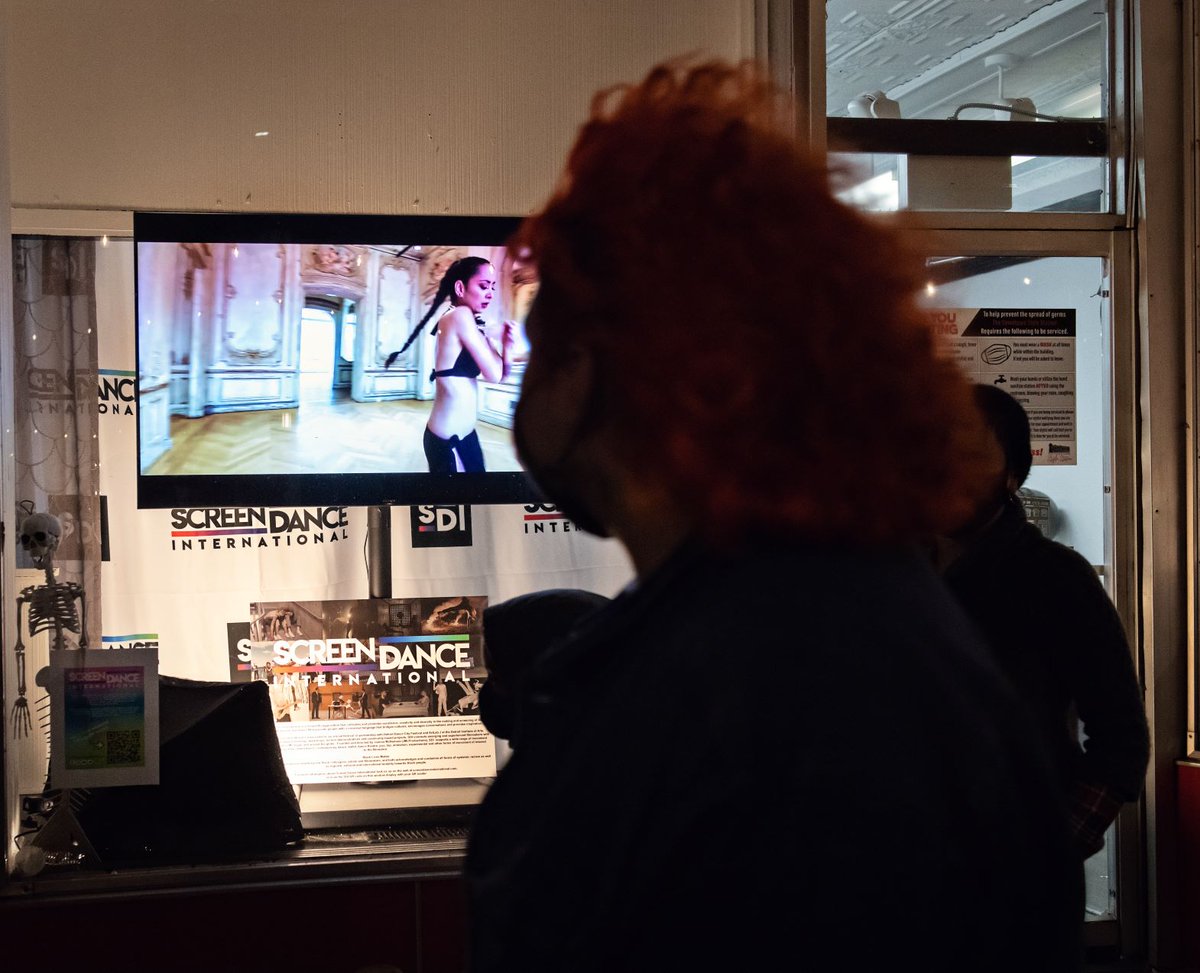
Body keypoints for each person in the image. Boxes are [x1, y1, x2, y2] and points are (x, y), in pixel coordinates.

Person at [463, 58, 1083, 973]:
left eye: (540, 340)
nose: (520, 388)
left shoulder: (719, 710)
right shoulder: (876, 630)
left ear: (601, 367)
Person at [936, 383, 1149, 862]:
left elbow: (1121, 738)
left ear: (1013, 474)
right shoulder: (885, 573)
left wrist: (1052, 849)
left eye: (966, 453)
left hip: (1014, 873)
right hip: (895, 878)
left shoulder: (1053, 575)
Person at [386, 256, 519, 472]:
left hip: (466, 435)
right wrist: (498, 342)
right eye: (484, 286)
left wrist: (508, 345)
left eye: (493, 287)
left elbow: (501, 375)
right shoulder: (459, 316)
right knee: (460, 502)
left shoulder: (469, 321)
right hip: (447, 440)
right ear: (460, 287)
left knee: (472, 500)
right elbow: (495, 374)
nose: (490, 293)